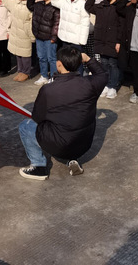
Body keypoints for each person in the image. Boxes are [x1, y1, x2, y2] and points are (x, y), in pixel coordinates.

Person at [18, 47, 107, 180]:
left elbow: (37, 117)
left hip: (60, 145)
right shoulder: (90, 84)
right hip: (83, 144)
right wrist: (88, 59)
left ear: (59, 64)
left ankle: (39, 167)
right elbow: (103, 74)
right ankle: (72, 158)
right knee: (73, 123)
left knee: (25, 126)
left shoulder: (49, 90)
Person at [85, 0, 125, 99]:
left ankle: (113, 86)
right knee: (104, 64)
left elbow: (121, 26)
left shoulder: (119, 8)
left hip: (113, 40)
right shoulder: (102, 5)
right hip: (101, 39)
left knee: (113, 64)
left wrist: (119, 41)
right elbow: (88, 6)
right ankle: (106, 85)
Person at [52, 0, 90, 74]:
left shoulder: (82, 3)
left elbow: (85, 23)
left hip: (76, 40)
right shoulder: (65, 1)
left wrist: (82, 41)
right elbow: (53, 1)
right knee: (66, 61)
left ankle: (79, 79)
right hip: (64, 37)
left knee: (77, 62)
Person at [27, 0, 60, 85]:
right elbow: (30, 5)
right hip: (39, 36)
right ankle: (44, 76)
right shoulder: (39, 4)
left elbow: (56, 23)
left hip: (49, 37)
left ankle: (53, 77)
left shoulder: (55, 7)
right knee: (41, 58)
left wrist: (54, 37)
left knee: (51, 58)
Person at [2, 0, 35, 82]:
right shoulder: (13, 3)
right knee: (18, 53)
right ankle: (20, 71)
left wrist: (32, 35)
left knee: (25, 54)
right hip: (15, 32)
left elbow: (32, 21)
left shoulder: (29, 5)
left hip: (25, 33)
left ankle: (26, 72)